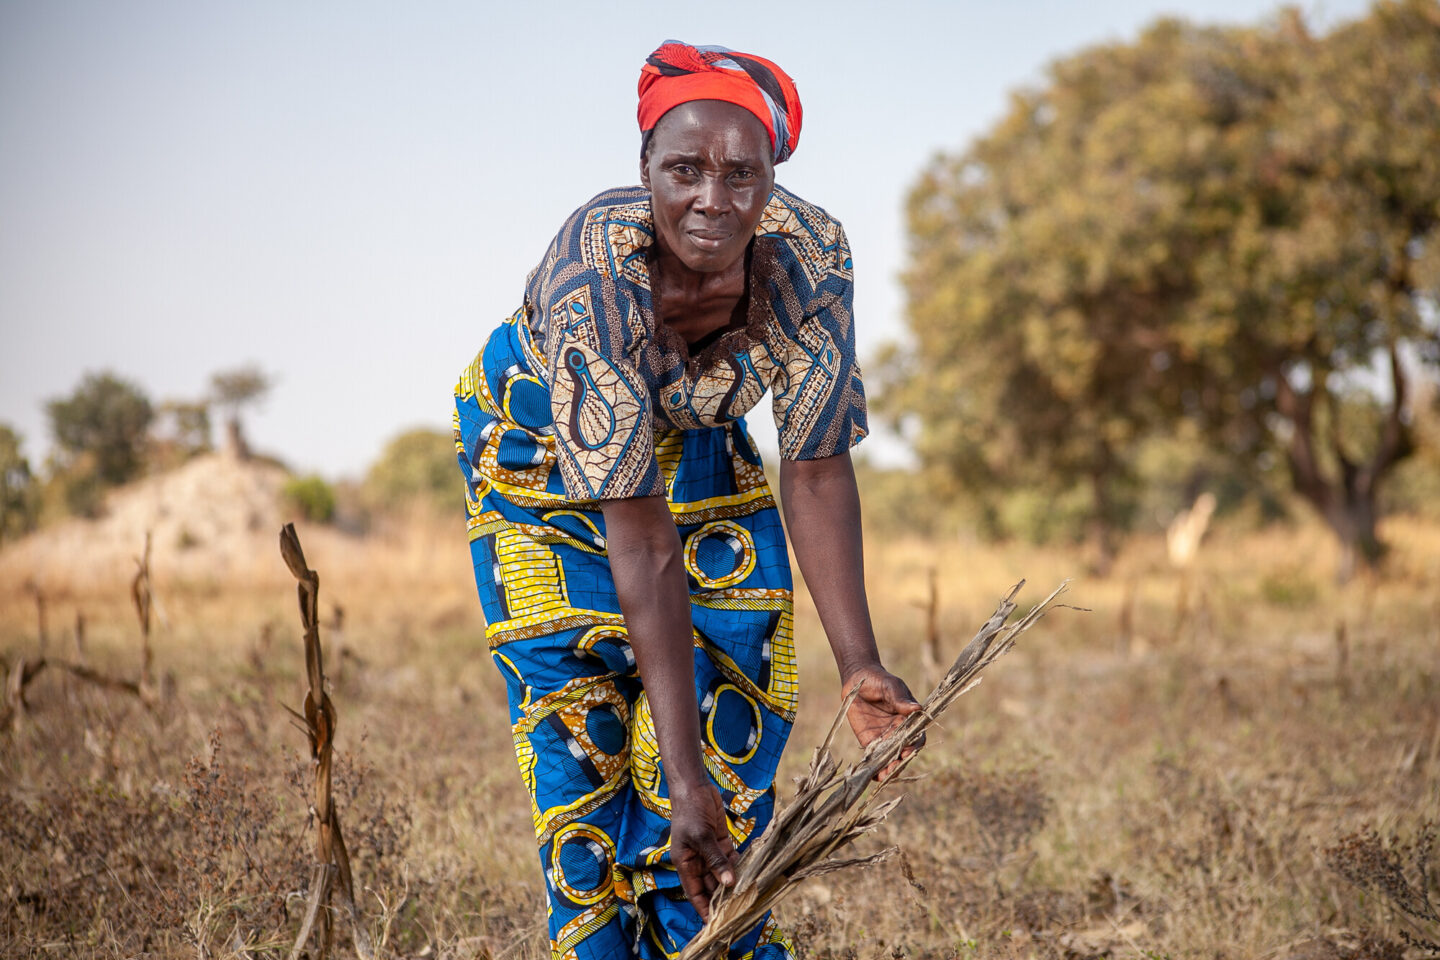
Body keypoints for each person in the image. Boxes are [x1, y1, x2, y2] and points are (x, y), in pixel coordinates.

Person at [454, 41, 920, 960]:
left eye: (742, 174)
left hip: (699, 438)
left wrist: (859, 664)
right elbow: (646, 545)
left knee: (733, 678)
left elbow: (818, 468)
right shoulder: (596, 276)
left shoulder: (810, 261)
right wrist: (682, 776)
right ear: (643, 172)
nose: (713, 198)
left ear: (771, 179)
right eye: (685, 170)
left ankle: (707, 935)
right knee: (581, 724)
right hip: (541, 460)